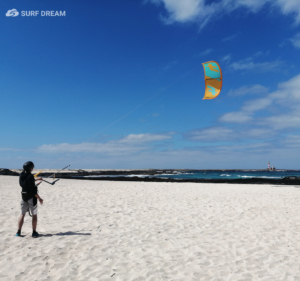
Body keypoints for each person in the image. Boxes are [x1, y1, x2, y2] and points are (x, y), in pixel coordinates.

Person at [16, 161, 43, 238]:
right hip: (32, 198)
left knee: (22, 214)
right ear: (30, 168)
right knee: (34, 214)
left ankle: (18, 232)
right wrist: (39, 198)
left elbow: (26, 182)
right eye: (32, 167)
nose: (32, 169)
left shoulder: (21, 175)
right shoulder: (30, 176)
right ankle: (34, 232)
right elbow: (33, 191)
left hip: (23, 197)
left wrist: (36, 179)